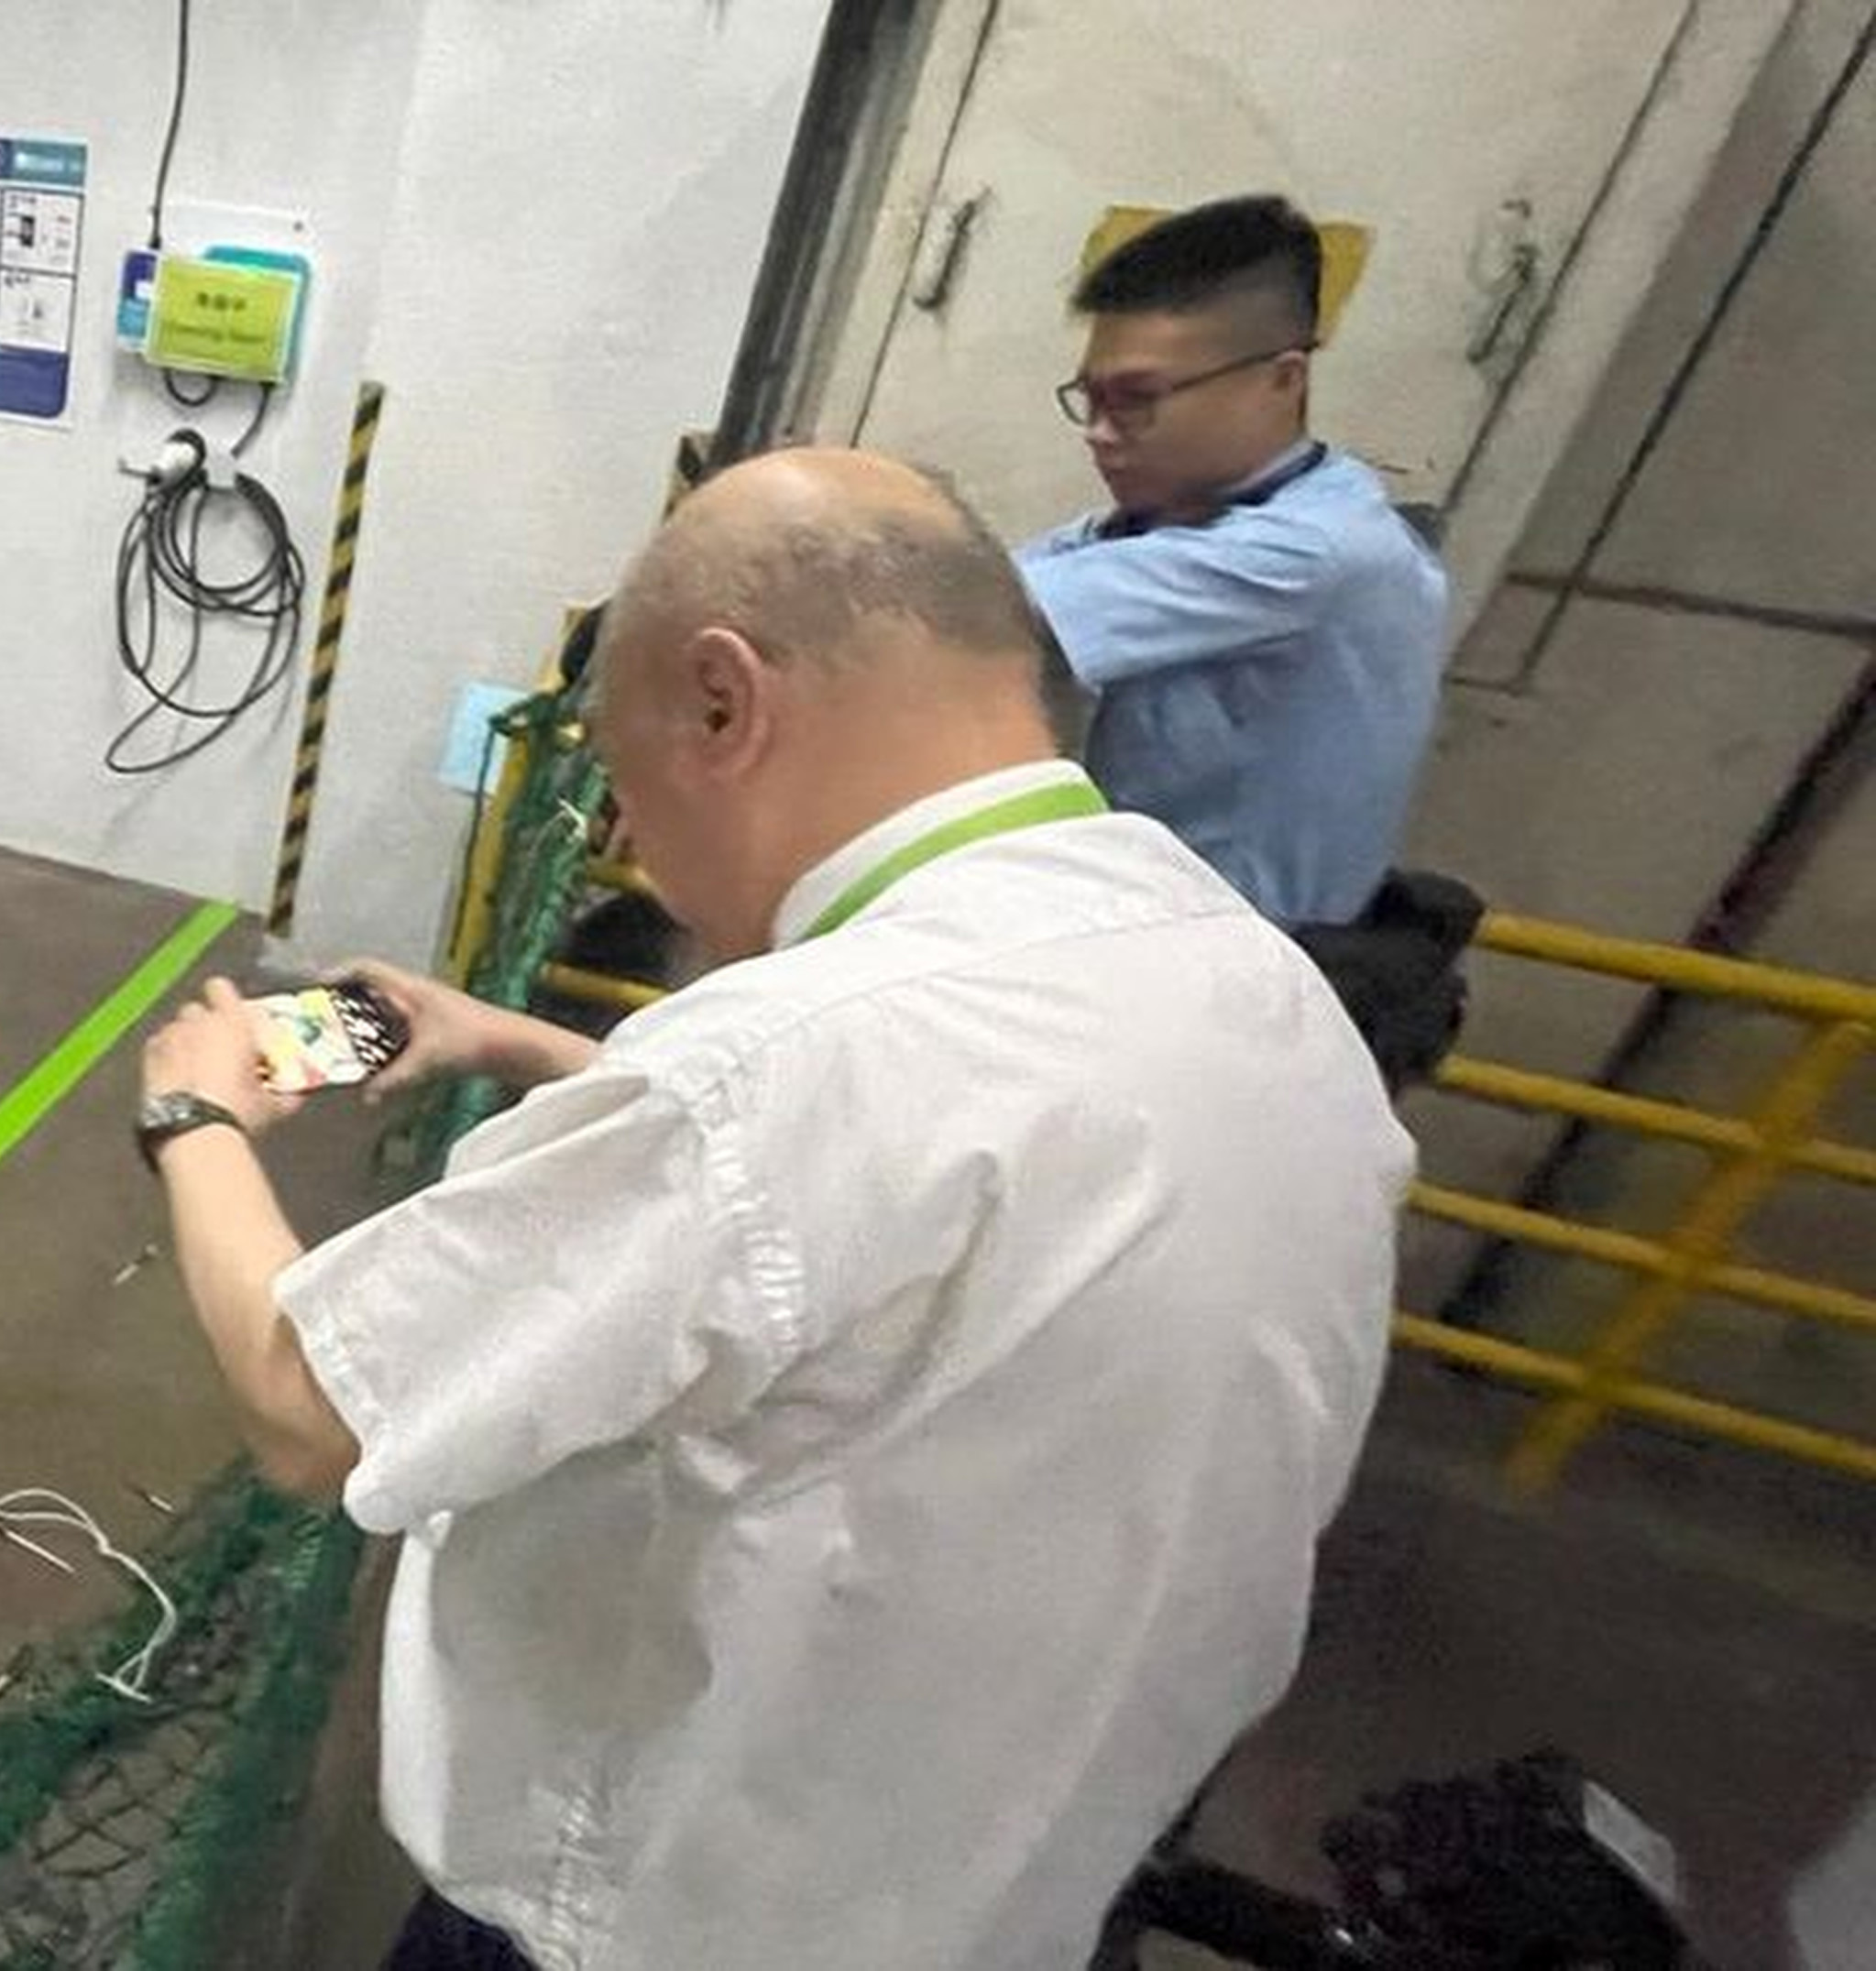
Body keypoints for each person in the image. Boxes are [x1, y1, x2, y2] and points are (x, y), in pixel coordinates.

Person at [135, 449, 1410, 1967]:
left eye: (626, 786)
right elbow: (868, 1214)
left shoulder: (778, 1069)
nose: (644, 858)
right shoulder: (1245, 973)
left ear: (724, 704)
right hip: (1013, 1888)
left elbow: (309, 1407)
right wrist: (525, 1045)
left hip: (661, 1918)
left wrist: (196, 1109)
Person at [1016, 193, 1451, 932]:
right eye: (1088, 400)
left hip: (1239, 970)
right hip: (1152, 922)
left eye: (1135, 401)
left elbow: (970, 605)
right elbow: (982, 576)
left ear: (1281, 379)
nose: (1098, 434)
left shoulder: (1310, 551)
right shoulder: (1183, 513)